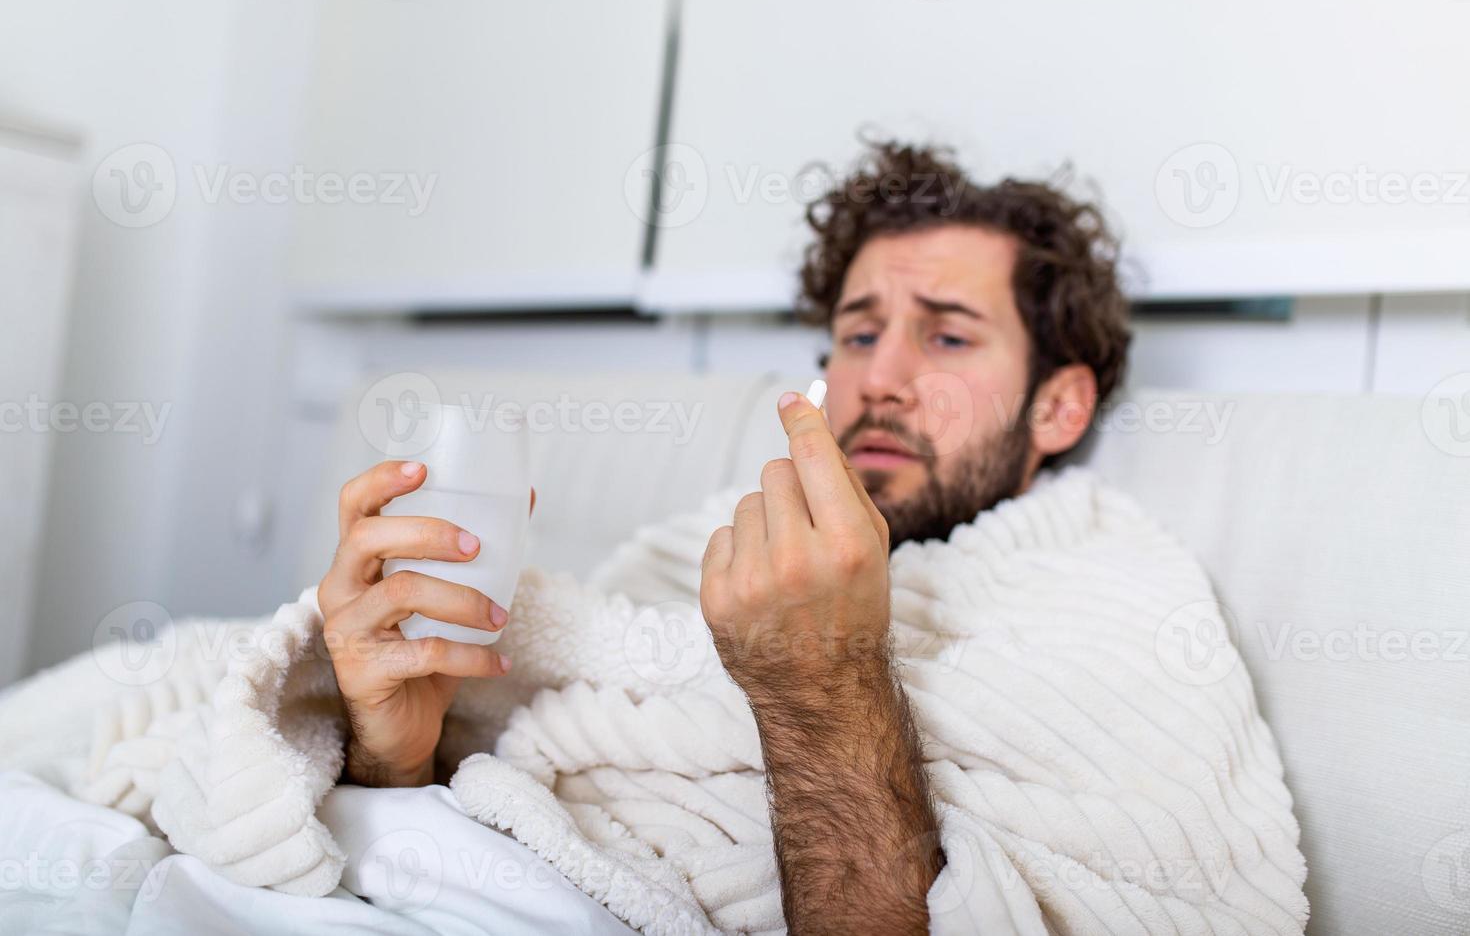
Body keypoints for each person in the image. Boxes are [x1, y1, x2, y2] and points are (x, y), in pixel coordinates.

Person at [315, 141, 1303, 934]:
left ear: (1057, 404)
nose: (881, 376)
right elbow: (505, 792)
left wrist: (825, 688)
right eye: (860, 331)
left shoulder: (1111, 596)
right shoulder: (705, 540)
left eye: (948, 335)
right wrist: (394, 754)